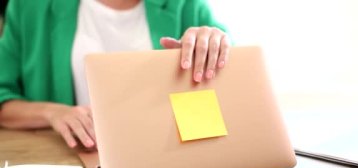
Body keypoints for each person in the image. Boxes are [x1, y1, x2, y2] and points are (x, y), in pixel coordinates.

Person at [0, 0, 230, 149]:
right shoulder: (29, 7)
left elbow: (233, 89)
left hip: (169, 154)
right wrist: (51, 112)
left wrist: (213, 46)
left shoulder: (186, 6)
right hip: (74, 156)